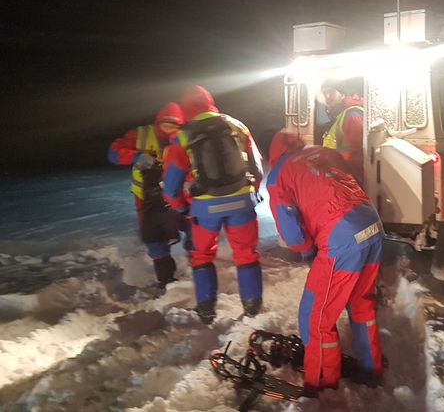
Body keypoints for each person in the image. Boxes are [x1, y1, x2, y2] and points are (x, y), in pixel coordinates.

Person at [266, 130, 384, 393]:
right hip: (372, 225)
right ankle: (371, 371)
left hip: (342, 240)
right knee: (361, 304)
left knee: (315, 318)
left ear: (273, 155)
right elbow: (353, 179)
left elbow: (291, 233)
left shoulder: (278, 175)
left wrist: (307, 248)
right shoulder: (325, 152)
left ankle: (321, 385)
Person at [162, 85, 264, 323]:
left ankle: (206, 310)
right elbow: (258, 169)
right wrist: (251, 195)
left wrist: (181, 208)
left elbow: (170, 187)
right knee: (246, 254)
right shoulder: (237, 125)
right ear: (210, 102)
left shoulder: (183, 135)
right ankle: (252, 309)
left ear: (186, 108)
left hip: (205, 209)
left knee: (202, 256)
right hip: (242, 203)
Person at [108, 102, 185, 288]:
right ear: (157, 123)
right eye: (166, 125)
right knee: (155, 239)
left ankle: (198, 269)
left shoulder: (184, 137)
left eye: (174, 127)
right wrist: (136, 157)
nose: (169, 131)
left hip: (177, 193)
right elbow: (113, 154)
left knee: (193, 229)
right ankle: (166, 280)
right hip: (146, 198)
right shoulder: (140, 135)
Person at [319, 77, 364, 184]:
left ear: (343, 95)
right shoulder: (340, 116)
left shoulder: (352, 115)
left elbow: (361, 153)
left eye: (331, 92)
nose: (327, 96)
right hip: (341, 179)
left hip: (350, 181)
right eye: (324, 93)